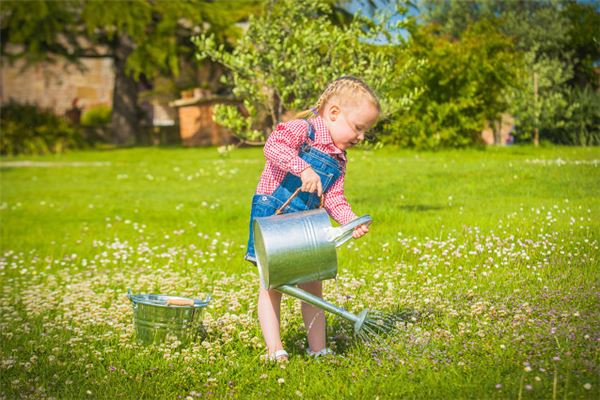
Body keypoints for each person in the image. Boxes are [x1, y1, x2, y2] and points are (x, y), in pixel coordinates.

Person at [245, 76, 380, 362]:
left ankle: (319, 349)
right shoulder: (302, 130)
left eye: (365, 131)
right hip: (274, 215)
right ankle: (275, 350)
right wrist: (304, 169)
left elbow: (334, 197)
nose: (361, 137)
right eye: (358, 128)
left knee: (313, 286)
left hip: (308, 222)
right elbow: (273, 147)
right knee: (272, 285)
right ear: (333, 113)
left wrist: (350, 221)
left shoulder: (339, 158)